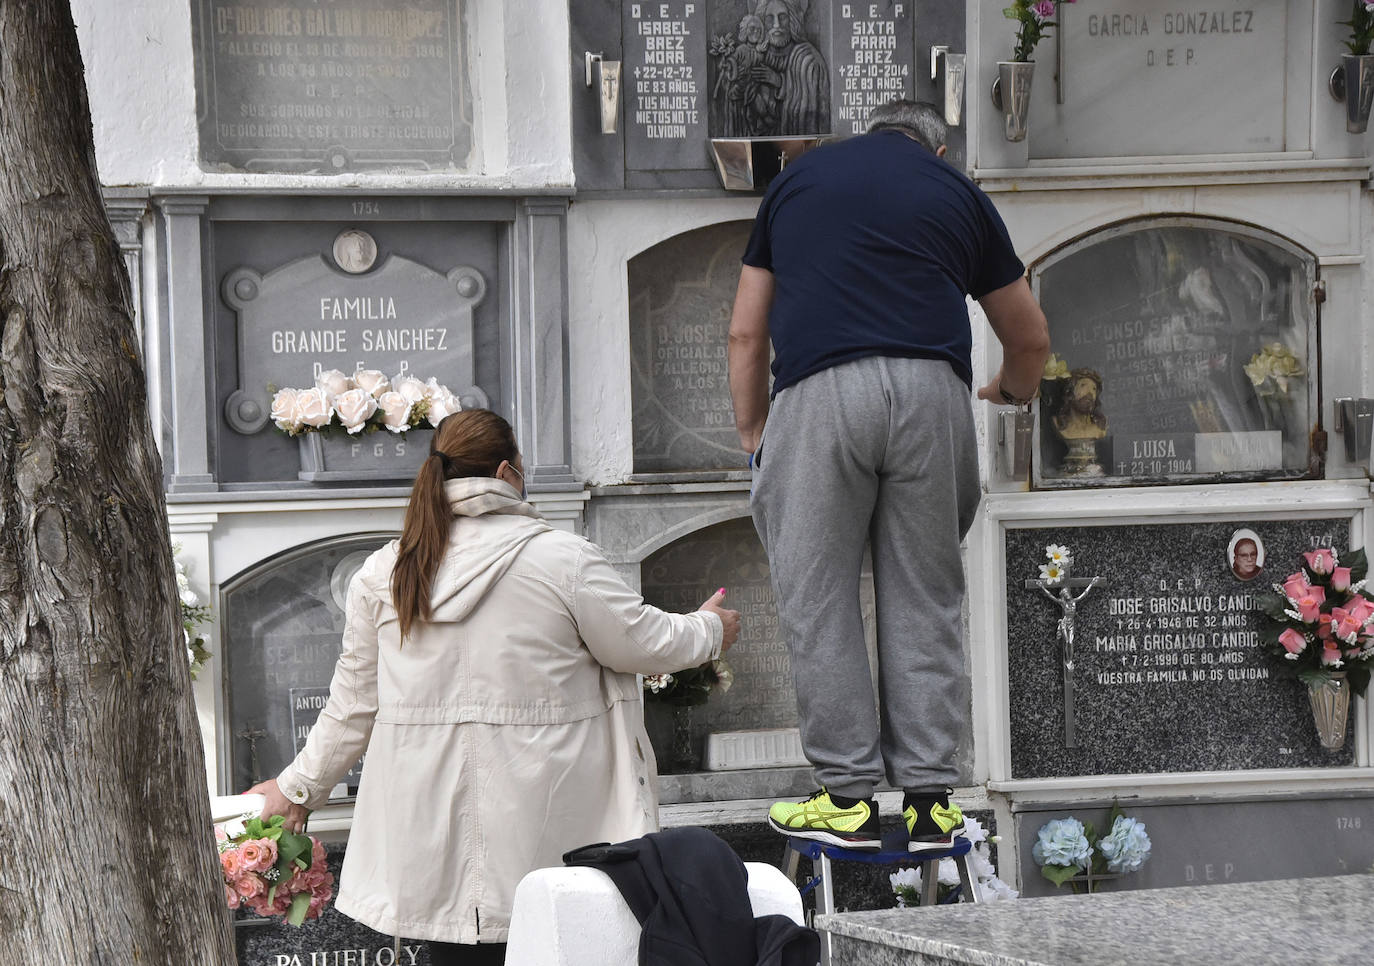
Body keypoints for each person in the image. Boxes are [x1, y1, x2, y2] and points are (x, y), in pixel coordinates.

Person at [247, 409, 740, 964]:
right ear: (508, 472)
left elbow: (352, 707)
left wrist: (296, 789)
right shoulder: (562, 559)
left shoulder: (387, 571)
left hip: (431, 842)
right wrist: (710, 629)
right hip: (548, 831)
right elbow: (644, 642)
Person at [727, 100, 1049, 853]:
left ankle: (846, 799)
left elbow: (745, 330)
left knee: (819, 598)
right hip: (933, 395)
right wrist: (1010, 392)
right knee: (926, 593)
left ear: (870, 134)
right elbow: (1030, 337)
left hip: (818, 394)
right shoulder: (957, 191)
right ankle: (932, 801)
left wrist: (754, 434)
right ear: (935, 152)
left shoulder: (796, 180)